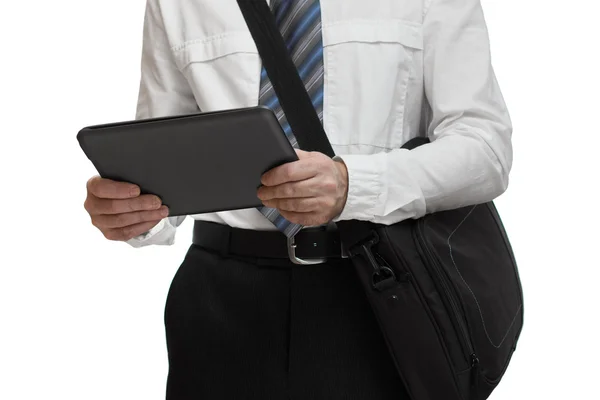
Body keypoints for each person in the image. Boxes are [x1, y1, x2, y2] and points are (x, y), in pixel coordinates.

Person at [83, 0, 513, 398]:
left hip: (381, 294)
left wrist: (352, 185)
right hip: (219, 304)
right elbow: (162, 153)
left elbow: (485, 147)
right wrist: (133, 211)